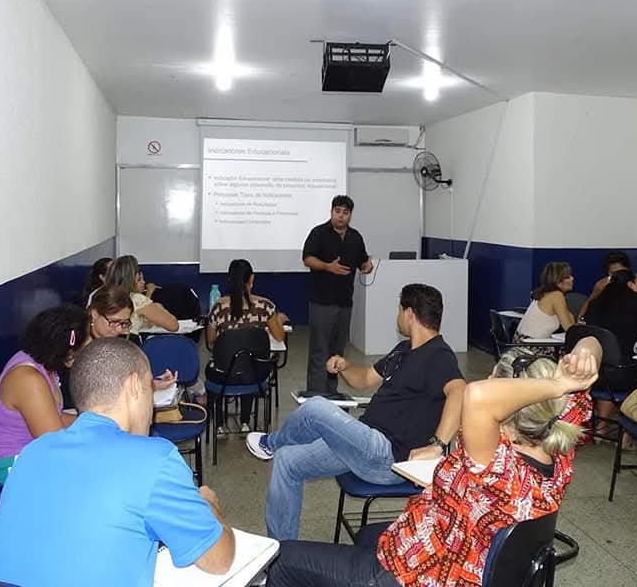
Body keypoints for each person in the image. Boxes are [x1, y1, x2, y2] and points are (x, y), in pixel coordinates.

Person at [265, 339, 601, 587]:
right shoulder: (557, 445)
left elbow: (476, 396)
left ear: (507, 411)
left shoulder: (495, 465)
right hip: (444, 556)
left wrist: (558, 382)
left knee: (278, 560)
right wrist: (583, 357)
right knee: (369, 533)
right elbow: (593, 344)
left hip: (410, 575)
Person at [0, 338, 235, 587]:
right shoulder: (154, 460)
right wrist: (209, 504)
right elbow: (219, 560)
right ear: (134, 386)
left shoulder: (33, 452)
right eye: (149, 387)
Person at [245, 283, 466, 540]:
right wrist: (345, 366)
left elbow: (460, 392)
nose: (397, 316)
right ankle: (281, 552)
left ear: (409, 313)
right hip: (363, 442)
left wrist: (438, 445)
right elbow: (364, 379)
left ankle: (270, 443)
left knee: (315, 407)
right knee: (287, 461)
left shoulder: (438, 354)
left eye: (398, 310)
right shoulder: (404, 350)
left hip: (386, 455)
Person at [0, 305, 88, 465]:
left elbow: (55, 417)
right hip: (12, 474)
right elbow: (56, 446)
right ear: (68, 352)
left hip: (33, 464)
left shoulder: (45, 363)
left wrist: (98, 421)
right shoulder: (28, 380)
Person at [206, 259, 289, 437]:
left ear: (229, 280)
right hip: (255, 377)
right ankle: (245, 421)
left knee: (225, 365)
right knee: (250, 363)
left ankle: (219, 424)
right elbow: (279, 337)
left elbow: (210, 340)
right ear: (252, 279)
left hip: (224, 374)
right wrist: (279, 320)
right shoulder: (265, 306)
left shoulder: (219, 307)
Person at [302, 195, 373, 394]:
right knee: (319, 352)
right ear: (331, 211)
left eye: (345, 212)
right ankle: (316, 396)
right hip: (322, 303)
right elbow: (307, 259)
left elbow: (363, 261)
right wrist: (327, 267)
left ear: (350, 215)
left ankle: (331, 394)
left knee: (337, 353)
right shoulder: (319, 233)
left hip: (344, 304)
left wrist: (367, 266)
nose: (341, 216)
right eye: (337, 211)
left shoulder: (355, 237)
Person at [584, 269, 637, 420]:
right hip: (621, 374)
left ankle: (602, 425)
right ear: (631, 284)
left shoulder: (595, 302)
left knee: (610, 369)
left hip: (589, 372)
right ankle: (628, 433)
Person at [104, 254, 178, 334]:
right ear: (131, 279)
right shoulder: (136, 299)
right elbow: (173, 325)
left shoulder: (103, 295)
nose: (144, 282)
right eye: (139, 279)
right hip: (125, 345)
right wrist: (157, 307)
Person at [579, 250, 637, 318]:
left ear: (629, 269)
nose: (619, 276)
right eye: (614, 273)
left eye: (622, 272)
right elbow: (589, 304)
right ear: (608, 273)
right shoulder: (602, 285)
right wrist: (580, 322)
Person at [515, 262, 576, 339]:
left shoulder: (545, 293)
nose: (572, 278)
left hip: (520, 342)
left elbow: (571, 322)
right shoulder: (556, 295)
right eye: (568, 276)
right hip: (529, 346)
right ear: (558, 281)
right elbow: (570, 329)